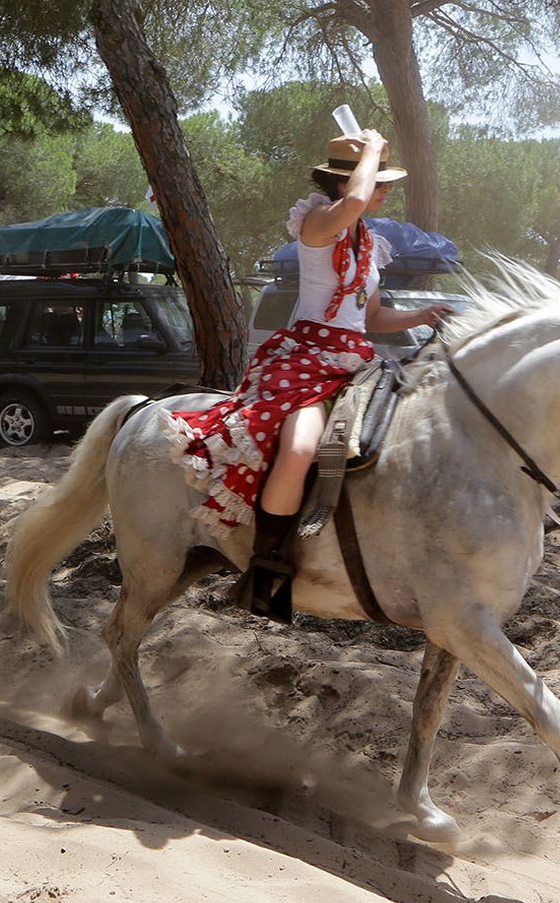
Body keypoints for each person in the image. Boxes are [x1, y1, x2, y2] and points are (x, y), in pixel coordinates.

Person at [162, 127, 451, 621]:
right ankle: (265, 570)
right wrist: (376, 151)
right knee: (298, 449)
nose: (384, 191)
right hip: (307, 358)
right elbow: (358, 199)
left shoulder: (370, 245)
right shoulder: (318, 225)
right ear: (346, 182)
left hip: (357, 361)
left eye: (385, 182)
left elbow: (371, 318)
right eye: (380, 181)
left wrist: (421, 318)